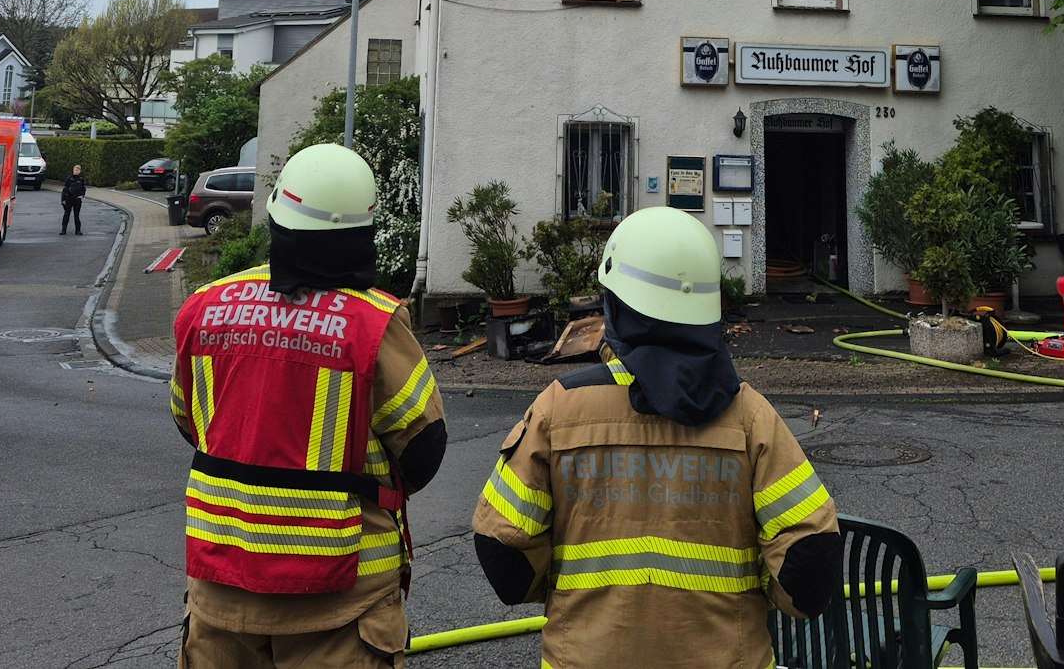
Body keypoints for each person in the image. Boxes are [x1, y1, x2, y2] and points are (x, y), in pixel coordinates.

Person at [472, 205, 841, 669]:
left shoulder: (559, 408)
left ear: (617, 305)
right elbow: (810, 569)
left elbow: (504, 553)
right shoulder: (750, 418)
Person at [170, 143, 445, 669]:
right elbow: (423, 452)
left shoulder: (204, 307)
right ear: (363, 231)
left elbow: (189, 423)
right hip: (342, 603)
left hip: (221, 586)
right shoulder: (373, 325)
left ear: (276, 214)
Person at [60, 164, 87, 234]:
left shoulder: (81, 179)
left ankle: (78, 230)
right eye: (75, 170)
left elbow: (84, 188)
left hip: (77, 199)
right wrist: (63, 199)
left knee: (76, 215)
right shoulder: (70, 178)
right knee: (66, 214)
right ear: (73, 170)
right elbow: (65, 189)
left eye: (77, 170)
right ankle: (63, 230)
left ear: (80, 171)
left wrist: (82, 195)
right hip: (69, 198)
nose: (76, 171)